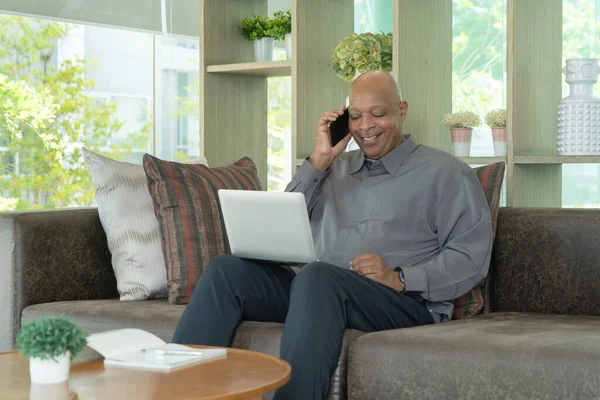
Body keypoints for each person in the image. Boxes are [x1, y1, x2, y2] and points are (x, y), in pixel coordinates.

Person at [172, 71, 493, 399]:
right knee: (225, 272)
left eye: (378, 114)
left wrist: (399, 278)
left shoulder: (446, 172)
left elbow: (471, 257)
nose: (365, 126)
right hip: (316, 293)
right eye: (355, 116)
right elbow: (283, 226)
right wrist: (321, 159)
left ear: (402, 110)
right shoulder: (331, 167)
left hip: (403, 302)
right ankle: (176, 393)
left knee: (318, 278)